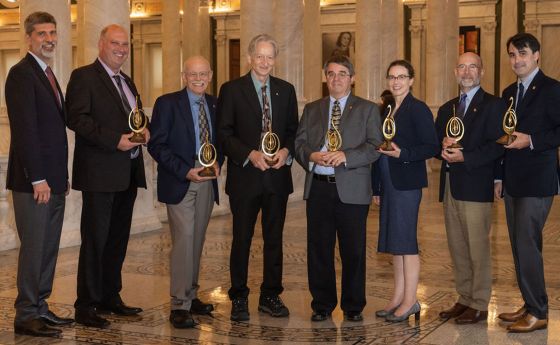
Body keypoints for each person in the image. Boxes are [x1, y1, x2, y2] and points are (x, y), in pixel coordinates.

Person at [66, 24, 149, 329]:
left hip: (127, 172)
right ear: (100, 44)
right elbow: (77, 118)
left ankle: (110, 297)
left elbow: (135, 116)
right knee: (96, 241)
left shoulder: (126, 80)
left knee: (117, 240)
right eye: (115, 43)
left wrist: (145, 128)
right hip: (100, 174)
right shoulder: (83, 76)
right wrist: (115, 139)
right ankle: (85, 306)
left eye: (125, 45)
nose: (121, 49)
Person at [217, 33, 299, 321]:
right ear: (250, 58)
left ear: (275, 60)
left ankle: (271, 295)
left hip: (277, 176)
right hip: (245, 176)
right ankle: (239, 296)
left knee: (274, 239)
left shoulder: (286, 90)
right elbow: (224, 133)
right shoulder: (231, 90)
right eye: (260, 56)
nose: (265, 62)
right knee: (242, 238)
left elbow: (293, 129)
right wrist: (250, 154)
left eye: (270, 57)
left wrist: (286, 151)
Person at [295, 55, 382, 322]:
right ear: (325, 77)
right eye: (331, 73)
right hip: (319, 188)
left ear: (352, 79)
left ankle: (353, 306)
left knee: (353, 250)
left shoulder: (367, 109)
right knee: (319, 248)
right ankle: (321, 304)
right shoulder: (312, 109)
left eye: (342, 74)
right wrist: (311, 156)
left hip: (352, 189)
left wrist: (346, 156)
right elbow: (299, 143)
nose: (336, 79)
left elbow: (374, 146)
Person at [5, 11, 74, 337]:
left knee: (48, 247)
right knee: (34, 248)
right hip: (34, 183)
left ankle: (41, 308)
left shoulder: (47, 73)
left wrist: (58, 177)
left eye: (52, 32)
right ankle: (26, 314)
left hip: (54, 181)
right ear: (29, 37)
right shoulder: (21, 74)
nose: (49, 39)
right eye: (42, 34)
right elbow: (26, 132)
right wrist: (38, 178)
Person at [148, 56, 220, 329]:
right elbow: (157, 145)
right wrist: (185, 170)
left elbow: (218, 141)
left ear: (210, 75)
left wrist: (217, 163)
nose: (198, 78)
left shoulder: (214, 104)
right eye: (193, 74)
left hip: (207, 183)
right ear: (184, 76)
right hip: (181, 182)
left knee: (197, 240)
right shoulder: (167, 104)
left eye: (203, 73)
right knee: (184, 240)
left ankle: (191, 294)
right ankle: (179, 304)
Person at [494, 32, 560, 333]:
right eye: (511, 54)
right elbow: (503, 136)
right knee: (520, 247)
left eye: (522, 53)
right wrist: (498, 176)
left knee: (527, 244)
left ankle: (539, 312)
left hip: (538, 180)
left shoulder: (552, 89)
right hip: (512, 180)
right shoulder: (509, 91)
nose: (516, 59)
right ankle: (529, 303)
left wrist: (532, 140)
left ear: (536, 55)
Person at [435, 52, 505, 324]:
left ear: (482, 72)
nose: (466, 72)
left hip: (477, 183)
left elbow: (499, 144)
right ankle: (464, 298)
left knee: (477, 246)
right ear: (455, 72)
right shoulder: (447, 108)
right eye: (462, 67)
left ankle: (479, 302)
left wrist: (467, 156)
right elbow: (435, 141)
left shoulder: (495, 105)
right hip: (451, 184)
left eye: (472, 67)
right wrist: (441, 146)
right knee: (457, 246)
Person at [372, 60, 439, 322]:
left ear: (411, 80)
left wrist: (403, 154)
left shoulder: (418, 109)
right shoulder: (388, 109)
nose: (396, 81)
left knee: (407, 243)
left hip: (406, 184)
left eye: (401, 77)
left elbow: (431, 146)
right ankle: (398, 297)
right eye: (392, 77)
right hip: (388, 183)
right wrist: (376, 186)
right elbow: (380, 148)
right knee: (396, 244)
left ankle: (411, 301)